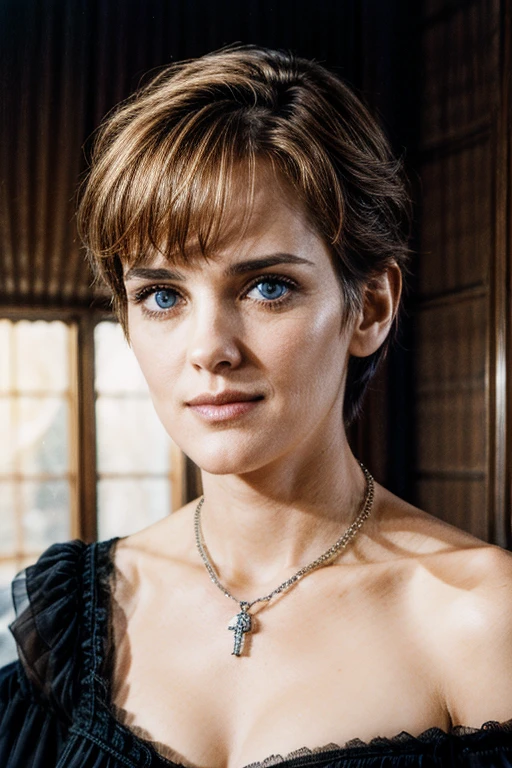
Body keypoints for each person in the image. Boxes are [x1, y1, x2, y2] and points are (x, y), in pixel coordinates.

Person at [1, 45, 512, 768]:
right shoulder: (80, 621)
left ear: (368, 307)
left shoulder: (482, 619)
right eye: (163, 295)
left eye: (267, 286)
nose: (209, 348)